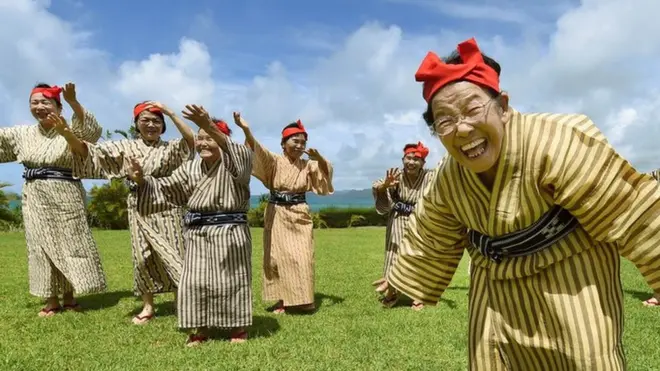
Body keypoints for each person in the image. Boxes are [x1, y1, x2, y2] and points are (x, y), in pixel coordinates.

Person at [379, 37, 660, 370]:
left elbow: (633, 210)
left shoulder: (556, 144)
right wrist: (401, 276)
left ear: (503, 107)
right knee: (492, 361)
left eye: (472, 109)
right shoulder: (448, 177)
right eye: (445, 121)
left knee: (584, 360)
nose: (463, 128)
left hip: (571, 276)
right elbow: (431, 233)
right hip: (493, 288)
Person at [51, 100, 195, 324]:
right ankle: (148, 306)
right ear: (136, 124)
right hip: (139, 206)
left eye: (156, 121)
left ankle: (181, 302)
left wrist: (170, 112)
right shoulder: (124, 148)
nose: (150, 125)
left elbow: (191, 141)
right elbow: (89, 153)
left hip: (169, 205)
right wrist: (67, 134)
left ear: (163, 126)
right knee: (142, 258)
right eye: (144, 120)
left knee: (177, 254)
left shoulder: (171, 147)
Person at [125, 105, 253, 346]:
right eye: (200, 139)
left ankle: (237, 326)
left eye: (210, 138)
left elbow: (241, 154)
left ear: (221, 139)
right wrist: (141, 178)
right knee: (195, 281)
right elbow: (166, 187)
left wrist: (210, 124)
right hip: (196, 233)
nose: (203, 143)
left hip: (230, 230)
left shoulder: (237, 160)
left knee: (232, 279)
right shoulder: (190, 167)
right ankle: (199, 328)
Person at [0, 83, 107, 316]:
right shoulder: (22, 133)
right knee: (40, 245)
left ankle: (70, 296)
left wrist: (74, 102)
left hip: (66, 192)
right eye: (34, 103)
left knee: (71, 242)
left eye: (45, 102)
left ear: (58, 107)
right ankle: (51, 299)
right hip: (36, 194)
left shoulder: (71, 129)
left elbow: (92, 133)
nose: (39, 107)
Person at [237, 116, 333, 314]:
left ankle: (304, 299)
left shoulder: (309, 165)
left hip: (299, 213)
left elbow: (326, 173)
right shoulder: (275, 161)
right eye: (294, 141)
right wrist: (246, 130)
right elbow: (257, 151)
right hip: (276, 212)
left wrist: (320, 158)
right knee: (275, 257)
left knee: (303, 256)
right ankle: (282, 300)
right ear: (283, 143)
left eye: (303, 143)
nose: (299, 146)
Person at [371, 142, 435, 310]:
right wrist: (385, 186)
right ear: (403, 159)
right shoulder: (396, 176)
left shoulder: (430, 176)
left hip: (421, 220)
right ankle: (392, 292)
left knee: (418, 255)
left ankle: (417, 294)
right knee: (395, 253)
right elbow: (377, 185)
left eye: (416, 159)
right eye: (408, 158)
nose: (411, 162)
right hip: (398, 219)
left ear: (423, 163)